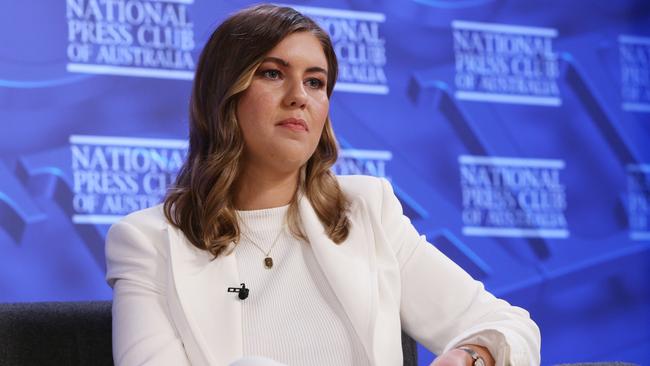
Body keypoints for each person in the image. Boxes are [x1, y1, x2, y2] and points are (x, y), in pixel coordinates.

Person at [105, 4, 541, 366]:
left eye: (315, 81)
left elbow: (509, 326)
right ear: (223, 95)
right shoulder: (148, 242)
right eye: (273, 73)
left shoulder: (366, 210)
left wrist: (472, 355)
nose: (300, 95)